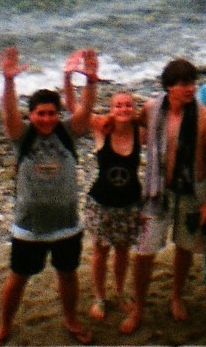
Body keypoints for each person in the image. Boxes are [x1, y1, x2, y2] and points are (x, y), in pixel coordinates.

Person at [0, 46, 98, 347]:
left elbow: (86, 110)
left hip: (67, 225)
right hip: (29, 227)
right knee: (18, 278)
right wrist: (8, 81)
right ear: (31, 115)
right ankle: (4, 326)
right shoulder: (22, 136)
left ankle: (70, 319)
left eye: (52, 113)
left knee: (68, 275)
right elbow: (9, 113)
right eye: (41, 114)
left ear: (59, 115)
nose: (47, 119)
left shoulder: (68, 132)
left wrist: (91, 81)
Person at [118, 58, 206, 335]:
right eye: (184, 84)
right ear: (169, 87)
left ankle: (176, 296)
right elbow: (133, 125)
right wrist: (109, 119)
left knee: (185, 246)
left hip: (191, 192)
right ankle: (138, 307)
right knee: (144, 251)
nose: (191, 89)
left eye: (192, 83)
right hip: (157, 191)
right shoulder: (152, 109)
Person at [63, 68, 145, 322]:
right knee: (100, 252)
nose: (123, 109)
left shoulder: (140, 133)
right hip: (101, 203)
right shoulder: (101, 128)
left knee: (122, 251)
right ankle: (99, 296)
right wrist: (68, 78)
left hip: (130, 203)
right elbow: (73, 107)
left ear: (133, 109)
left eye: (128, 105)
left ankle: (120, 292)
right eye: (118, 105)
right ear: (111, 109)